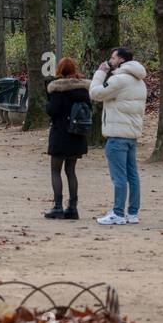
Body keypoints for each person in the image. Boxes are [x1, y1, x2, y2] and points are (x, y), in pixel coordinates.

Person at [90, 47, 148, 225]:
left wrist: (100, 73)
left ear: (121, 60)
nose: (110, 60)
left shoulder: (119, 80)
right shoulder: (139, 81)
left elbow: (95, 93)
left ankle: (117, 213)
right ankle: (132, 212)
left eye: (112, 58)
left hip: (116, 136)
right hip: (131, 135)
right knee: (132, 175)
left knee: (119, 177)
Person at [44, 57, 91, 219]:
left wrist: (46, 104)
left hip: (60, 133)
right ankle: (72, 207)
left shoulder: (57, 89)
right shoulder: (83, 90)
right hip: (77, 134)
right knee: (71, 171)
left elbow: (52, 111)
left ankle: (57, 206)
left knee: (55, 170)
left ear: (60, 70)